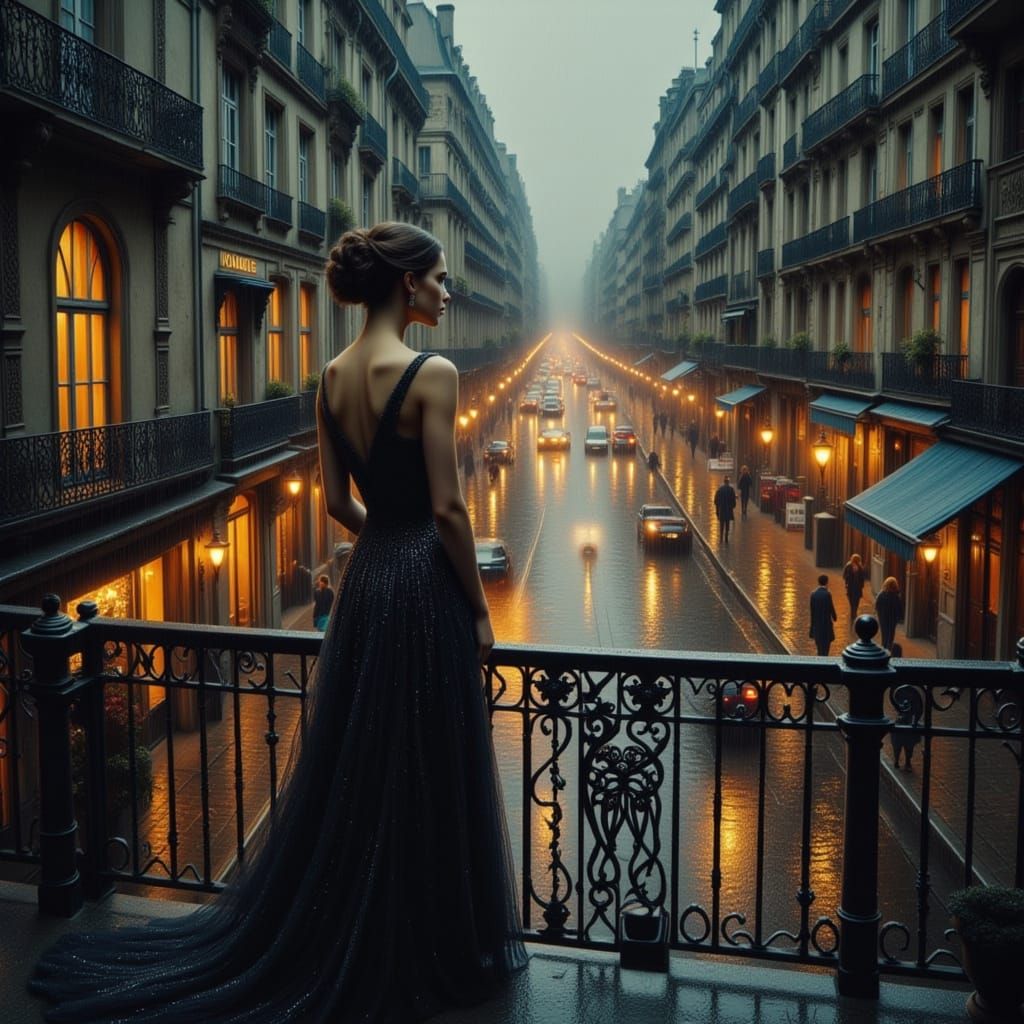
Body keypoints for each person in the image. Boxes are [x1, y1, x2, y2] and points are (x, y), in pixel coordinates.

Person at [31, 222, 526, 1021]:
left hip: (368, 582)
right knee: (426, 754)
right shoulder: (433, 373)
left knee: (360, 761)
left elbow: (335, 504)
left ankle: (354, 924)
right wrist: (474, 606)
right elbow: (448, 507)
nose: (446, 291)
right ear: (406, 285)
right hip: (420, 583)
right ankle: (426, 936)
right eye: (438, 278)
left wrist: (384, 546)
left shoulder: (330, 376)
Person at [809, 573, 839, 656]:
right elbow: (831, 607)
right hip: (826, 625)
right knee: (826, 648)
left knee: (819, 647)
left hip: (817, 626)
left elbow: (812, 612)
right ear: (826, 582)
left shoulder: (813, 594)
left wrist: (812, 627)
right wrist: (834, 616)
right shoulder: (827, 594)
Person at [875, 575, 905, 651]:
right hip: (891, 619)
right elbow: (899, 608)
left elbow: (877, 606)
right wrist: (900, 617)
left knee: (885, 635)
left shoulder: (881, 595)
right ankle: (887, 649)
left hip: (883, 618)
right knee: (890, 635)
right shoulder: (895, 596)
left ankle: (884, 649)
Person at [842, 552, 867, 621]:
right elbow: (844, 575)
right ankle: (853, 611)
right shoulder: (849, 566)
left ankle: (854, 611)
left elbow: (862, 577)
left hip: (855, 587)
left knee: (855, 600)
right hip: (852, 586)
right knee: (853, 600)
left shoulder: (860, 567)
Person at [714, 475, 737, 542]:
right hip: (729, 510)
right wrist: (732, 506)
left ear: (724, 482)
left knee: (721, 524)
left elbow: (716, 501)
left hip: (722, 509)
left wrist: (718, 508)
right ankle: (726, 537)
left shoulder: (720, 490)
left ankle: (721, 537)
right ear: (728, 482)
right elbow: (733, 501)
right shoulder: (731, 490)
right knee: (727, 524)